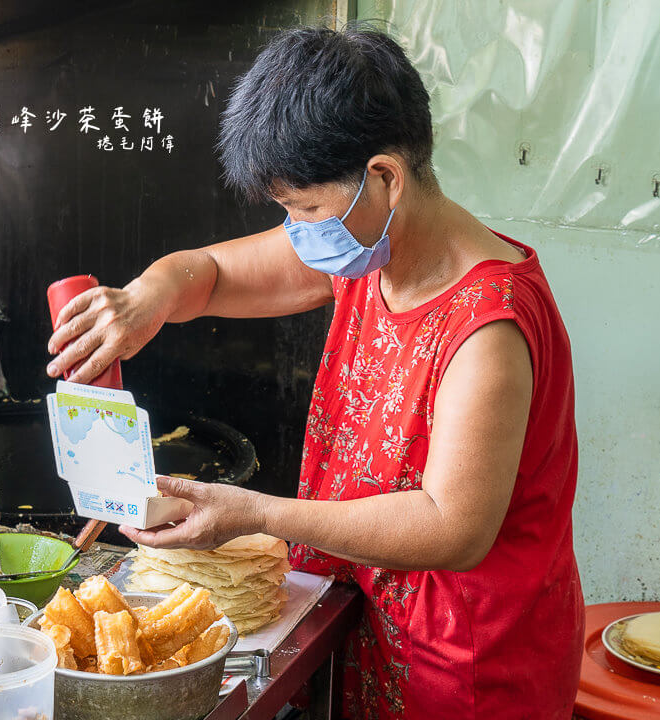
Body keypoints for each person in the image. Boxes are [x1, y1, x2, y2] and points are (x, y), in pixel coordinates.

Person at [46, 25, 584, 720]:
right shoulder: (365, 244)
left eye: (304, 209)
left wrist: (253, 515)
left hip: (471, 666)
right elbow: (206, 276)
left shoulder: (487, 327)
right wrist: (145, 297)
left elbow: (453, 525)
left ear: (384, 178)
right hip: (369, 622)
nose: (297, 231)